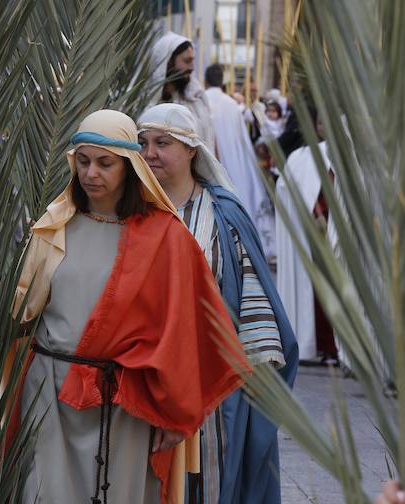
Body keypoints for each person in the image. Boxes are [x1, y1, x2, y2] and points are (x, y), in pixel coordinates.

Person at [0, 110, 249, 504]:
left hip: (124, 407)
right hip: (49, 395)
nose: (90, 173)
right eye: (83, 161)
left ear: (129, 166)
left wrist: (177, 414)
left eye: (104, 163)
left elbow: (188, 332)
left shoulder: (166, 237)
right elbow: (23, 310)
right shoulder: (55, 226)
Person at [138, 103, 298, 504]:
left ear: (193, 149)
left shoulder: (223, 214)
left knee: (208, 484)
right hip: (142, 379)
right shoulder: (134, 211)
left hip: (212, 382)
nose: (150, 152)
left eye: (163, 142)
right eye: (143, 143)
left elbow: (250, 296)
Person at [274, 136, 339, 364]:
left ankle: (333, 347)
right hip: (319, 236)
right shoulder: (304, 156)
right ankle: (326, 346)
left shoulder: (310, 155)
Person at [203, 64, 274, 258]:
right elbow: (241, 139)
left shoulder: (201, 101)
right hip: (233, 164)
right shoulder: (231, 104)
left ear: (206, 80)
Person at [149, 32, 216, 153]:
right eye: (186, 61)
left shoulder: (196, 102)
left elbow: (210, 143)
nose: (192, 67)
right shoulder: (148, 105)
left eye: (192, 61)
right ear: (168, 63)